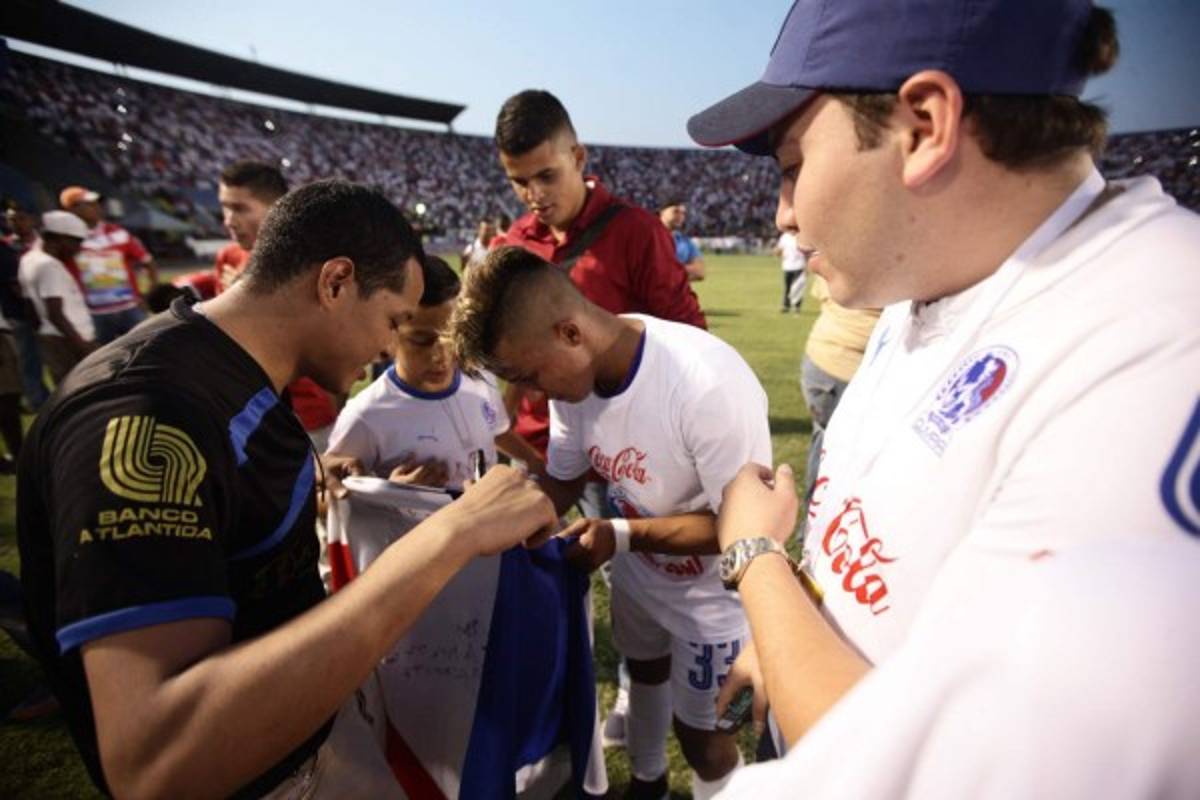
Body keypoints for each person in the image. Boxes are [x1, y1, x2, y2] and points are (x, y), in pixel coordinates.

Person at [684, 0, 1200, 789]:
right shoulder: (936, 271)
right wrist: (790, 635)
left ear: (924, 125)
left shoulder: (1159, 346)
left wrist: (756, 560)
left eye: (791, 166)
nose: (784, 213)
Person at [17, 180, 557, 799]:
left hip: (309, 742)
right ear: (335, 282)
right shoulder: (141, 414)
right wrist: (449, 535)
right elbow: (156, 761)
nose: (388, 348)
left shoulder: (235, 374)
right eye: (394, 321)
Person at [450, 246, 771, 800]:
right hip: (638, 573)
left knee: (705, 735)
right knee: (643, 674)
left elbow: (741, 527)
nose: (530, 393)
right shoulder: (572, 383)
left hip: (712, 595)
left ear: (571, 334)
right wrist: (491, 517)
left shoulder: (703, 383)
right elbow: (565, 478)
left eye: (529, 375)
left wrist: (622, 535)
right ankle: (648, 781)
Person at [493, 89, 706, 460]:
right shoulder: (514, 241)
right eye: (520, 181)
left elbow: (690, 339)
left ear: (577, 157)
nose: (535, 194)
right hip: (534, 446)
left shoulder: (636, 231)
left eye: (546, 175)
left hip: (614, 451)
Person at [325, 254, 544, 488]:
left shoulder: (482, 379)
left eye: (451, 336)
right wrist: (390, 491)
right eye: (421, 340)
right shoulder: (365, 417)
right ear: (390, 335)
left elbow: (496, 430)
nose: (440, 355)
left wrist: (535, 462)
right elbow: (330, 500)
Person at [215, 159, 339, 451]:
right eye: (225, 207)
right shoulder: (228, 258)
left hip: (304, 417)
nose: (229, 220)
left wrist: (246, 301)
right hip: (243, 411)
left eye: (240, 208)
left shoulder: (310, 265)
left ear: (278, 208)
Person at [798, 275, 879, 503]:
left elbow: (821, 293)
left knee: (825, 443)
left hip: (823, 357)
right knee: (840, 452)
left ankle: (814, 525)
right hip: (845, 365)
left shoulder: (838, 248)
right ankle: (818, 527)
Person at [60, 185, 158, 343]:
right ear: (72, 210)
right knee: (102, 362)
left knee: (148, 351)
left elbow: (148, 262)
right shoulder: (65, 241)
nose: (97, 207)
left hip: (130, 309)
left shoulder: (118, 232)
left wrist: (147, 295)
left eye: (97, 203)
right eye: (89, 204)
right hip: (92, 314)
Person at [17, 211, 95, 383]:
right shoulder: (49, 265)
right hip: (69, 340)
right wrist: (82, 346)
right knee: (81, 390)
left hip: (50, 337)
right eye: (77, 242)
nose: (78, 248)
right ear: (61, 238)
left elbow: (29, 306)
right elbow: (55, 313)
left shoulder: (28, 259)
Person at [2, 203, 51, 408]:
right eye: (11, 219)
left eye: (20, 218)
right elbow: (14, 285)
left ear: (32, 219)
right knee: (29, 359)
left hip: (50, 311)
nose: (16, 223)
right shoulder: (6, 247)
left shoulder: (46, 244)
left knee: (55, 357)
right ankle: (38, 401)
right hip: (19, 314)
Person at [659, 197, 705, 282]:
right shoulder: (647, 238)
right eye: (676, 211)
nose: (680, 216)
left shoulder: (686, 242)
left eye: (683, 213)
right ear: (662, 212)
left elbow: (699, 272)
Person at [774, 231, 806, 312]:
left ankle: (797, 306)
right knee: (787, 287)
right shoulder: (785, 237)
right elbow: (779, 249)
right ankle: (786, 306)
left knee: (797, 287)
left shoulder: (802, 236)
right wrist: (778, 253)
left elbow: (806, 251)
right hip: (787, 266)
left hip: (799, 265)